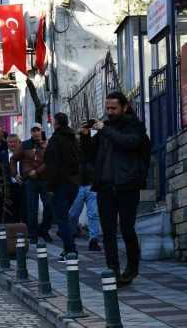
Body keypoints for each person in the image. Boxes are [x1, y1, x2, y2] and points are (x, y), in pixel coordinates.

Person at [80, 92, 149, 286]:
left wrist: (103, 129)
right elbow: (89, 155)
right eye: (107, 108)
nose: (109, 112)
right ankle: (113, 270)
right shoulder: (105, 129)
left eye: (113, 108)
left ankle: (132, 268)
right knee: (108, 231)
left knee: (127, 229)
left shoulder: (135, 126)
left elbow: (128, 143)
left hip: (127, 185)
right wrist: (85, 137)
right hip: (105, 187)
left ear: (124, 107)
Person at [45, 113, 80, 261]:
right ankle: (69, 248)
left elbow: (52, 164)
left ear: (57, 123)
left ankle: (70, 250)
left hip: (60, 184)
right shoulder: (73, 138)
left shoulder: (55, 140)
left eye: (53, 121)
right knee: (65, 217)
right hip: (73, 183)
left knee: (61, 218)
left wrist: (50, 187)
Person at [11, 123, 53, 244]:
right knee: (31, 208)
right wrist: (15, 174)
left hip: (45, 179)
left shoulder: (47, 144)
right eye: (33, 130)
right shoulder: (25, 145)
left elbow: (50, 160)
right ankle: (33, 233)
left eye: (37, 130)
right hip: (30, 181)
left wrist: (37, 171)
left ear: (41, 131)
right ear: (30, 132)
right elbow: (13, 159)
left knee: (49, 206)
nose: (35, 132)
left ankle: (44, 230)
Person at [69, 147, 101, 251]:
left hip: (92, 185)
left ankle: (93, 240)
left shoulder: (92, 149)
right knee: (73, 214)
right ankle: (73, 231)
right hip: (77, 185)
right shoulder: (72, 150)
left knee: (93, 214)